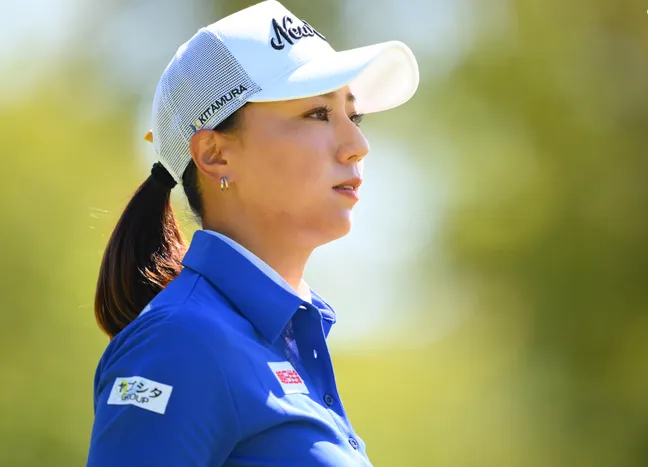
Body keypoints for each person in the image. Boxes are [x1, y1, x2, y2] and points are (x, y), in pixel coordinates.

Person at [86, 1, 419, 465]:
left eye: (353, 116)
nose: (357, 145)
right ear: (215, 155)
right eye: (317, 114)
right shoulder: (179, 340)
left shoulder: (278, 337)